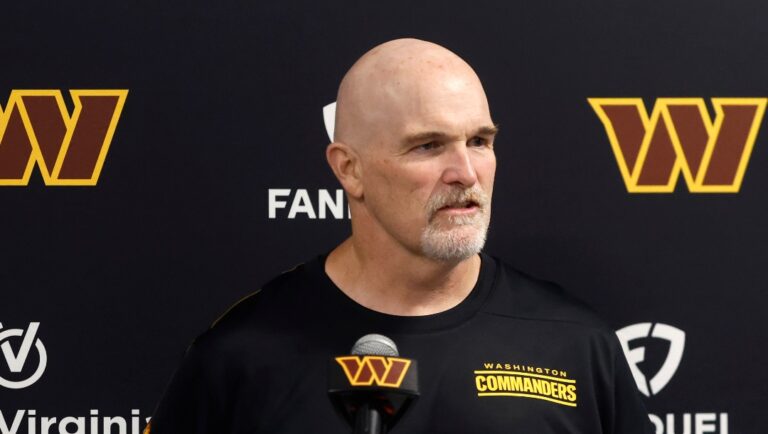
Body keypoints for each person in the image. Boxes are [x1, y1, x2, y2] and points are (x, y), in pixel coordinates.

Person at [146, 38, 653, 433]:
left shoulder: (577, 345)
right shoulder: (240, 356)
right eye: (428, 146)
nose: (465, 172)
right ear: (350, 170)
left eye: (479, 141)